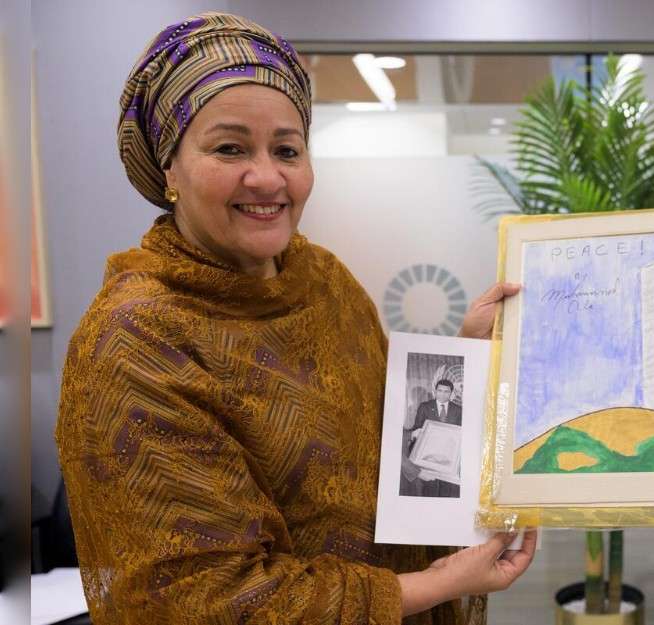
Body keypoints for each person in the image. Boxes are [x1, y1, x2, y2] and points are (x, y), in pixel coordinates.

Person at [54, 12, 535, 625]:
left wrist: (468, 356)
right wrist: (429, 587)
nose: (266, 176)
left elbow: (393, 448)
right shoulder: (135, 340)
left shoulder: (323, 282)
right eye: (229, 148)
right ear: (168, 169)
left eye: (287, 149)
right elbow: (207, 599)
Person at [403, 379, 463, 498]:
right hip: (428, 455)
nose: (442, 394)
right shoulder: (425, 406)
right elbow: (417, 427)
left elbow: (460, 432)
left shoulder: (458, 409)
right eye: (440, 390)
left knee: (447, 487)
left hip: (448, 455)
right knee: (430, 486)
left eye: (446, 391)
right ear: (435, 391)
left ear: (451, 393)